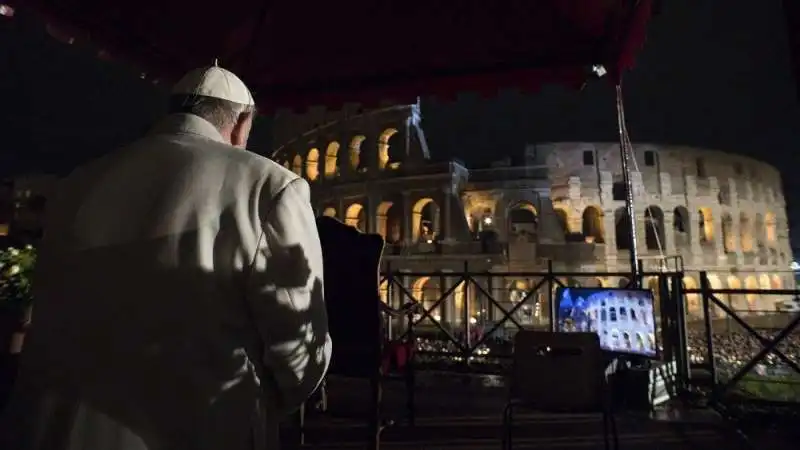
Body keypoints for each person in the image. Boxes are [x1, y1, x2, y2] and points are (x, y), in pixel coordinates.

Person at [0, 65, 331, 450]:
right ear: (242, 123)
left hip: (53, 428)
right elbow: (300, 347)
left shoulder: (78, 181)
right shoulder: (270, 186)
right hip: (193, 429)